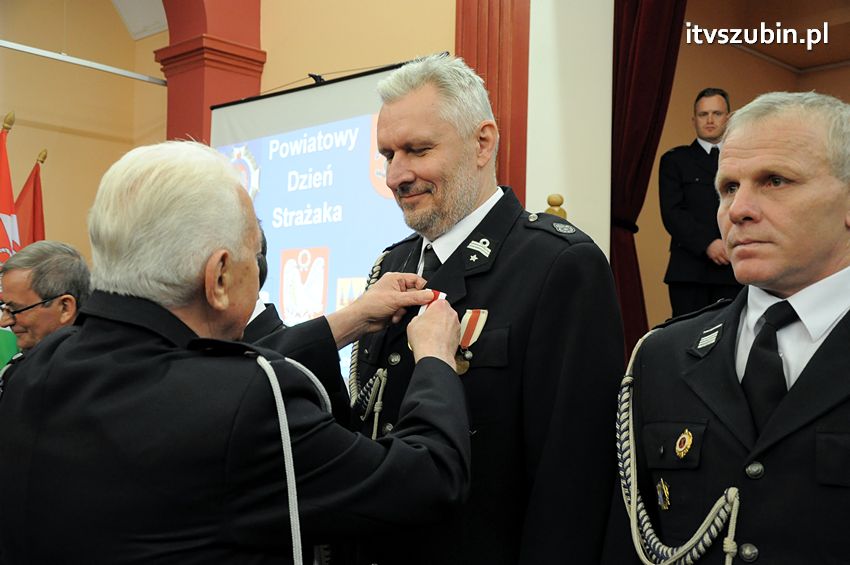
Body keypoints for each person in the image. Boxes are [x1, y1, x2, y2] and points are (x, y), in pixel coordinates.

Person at [0, 140, 472, 564]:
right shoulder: (250, 402)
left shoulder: (34, 368)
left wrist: (346, 320)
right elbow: (426, 480)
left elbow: (205, 376)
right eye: (253, 254)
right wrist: (433, 359)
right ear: (220, 276)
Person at [347, 54, 625, 565]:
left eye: (417, 150)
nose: (395, 175)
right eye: (388, 154)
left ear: (482, 142)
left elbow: (573, 481)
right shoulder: (393, 264)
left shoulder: (559, 264)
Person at [611, 91, 850, 564]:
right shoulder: (661, 355)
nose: (737, 210)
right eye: (727, 188)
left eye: (775, 180)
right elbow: (627, 539)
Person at [660, 87, 741, 318]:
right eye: (703, 114)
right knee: (686, 339)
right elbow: (672, 213)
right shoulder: (676, 160)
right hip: (690, 270)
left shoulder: (741, 160)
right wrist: (708, 243)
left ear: (729, 117)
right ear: (694, 120)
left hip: (734, 266)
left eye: (717, 113)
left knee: (731, 339)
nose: (710, 120)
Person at [0, 240, 90, 352]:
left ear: (65, 308)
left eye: (15, 309)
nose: (3, 322)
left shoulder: (95, 366)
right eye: (4, 306)